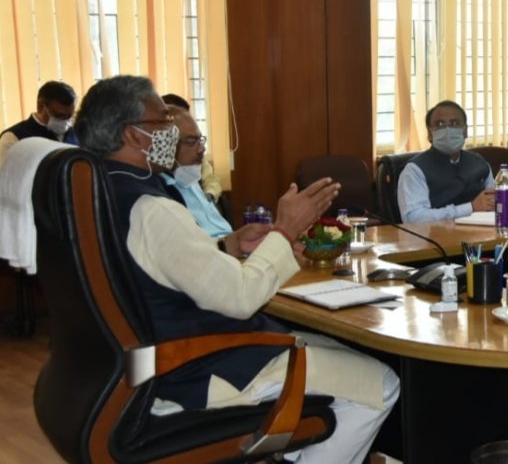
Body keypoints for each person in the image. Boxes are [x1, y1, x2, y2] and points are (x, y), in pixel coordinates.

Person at [74, 75, 398, 463]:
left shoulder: (99, 193)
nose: (172, 132)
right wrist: (285, 230)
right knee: (381, 383)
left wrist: (226, 246)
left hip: (148, 365)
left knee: (340, 351)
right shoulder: (152, 208)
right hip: (196, 370)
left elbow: (150, 265)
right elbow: (240, 299)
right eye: (163, 121)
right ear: (134, 135)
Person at [398, 100, 495, 223]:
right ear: (430, 133)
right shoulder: (414, 170)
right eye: (439, 124)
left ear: (465, 130)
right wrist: (470, 207)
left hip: (480, 231)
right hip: (434, 234)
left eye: (455, 123)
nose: (447, 129)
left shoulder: (480, 163)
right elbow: (413, 218)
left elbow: (492, 203)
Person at [160, 104, 234, 238]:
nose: (202, 149)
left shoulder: (190, 177)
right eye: (191, 141)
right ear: (166, 144)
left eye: (200, 140)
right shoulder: (162, 193)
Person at [0, 81, 79, 169]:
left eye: (70, 116)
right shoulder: (13, 138)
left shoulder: (77, 134)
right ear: (40, 106)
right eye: (59, 115)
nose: (65, 121)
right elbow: (5, 175)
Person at [161, 93, 224, 203]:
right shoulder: (155, 183)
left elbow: (211, 180)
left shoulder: (195, 161)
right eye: (191, 141)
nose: (201, 149)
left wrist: (209, 195)